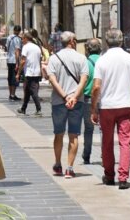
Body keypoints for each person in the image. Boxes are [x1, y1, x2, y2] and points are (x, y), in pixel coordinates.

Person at [91, 29, 130, 189]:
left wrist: (93, 108)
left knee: (106, 141)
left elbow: (96, 87)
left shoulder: (102, 60)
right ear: (122, 41)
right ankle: (123, 177)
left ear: (106, 42)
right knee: (125, 142)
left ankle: (109, 175)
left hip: (107, 106)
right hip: (127, 104)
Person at [45, 31, 88, 179]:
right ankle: (69, 168)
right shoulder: (81, 58)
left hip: (58, 101)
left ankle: (58, 164)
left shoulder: (53, 58)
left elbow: (52, 80)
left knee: (58, 133)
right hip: (77, 101)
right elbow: (84, 80)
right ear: (71, 41)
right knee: (73, 134)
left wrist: (64, 96)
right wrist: (74, 96)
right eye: (75, 39)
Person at [81, 38, 100, 165]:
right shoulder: (105, 61)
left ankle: (86, 155)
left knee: (88, 129)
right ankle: (106, 153)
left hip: (88, 99)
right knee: (105, 129)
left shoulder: (85, 63)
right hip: (104, 99)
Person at [16, 31, 43, 116]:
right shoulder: (37, 47)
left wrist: (18, 72)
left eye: (22, 38)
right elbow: (40, 61)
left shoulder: (26, 47)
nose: (22, 40)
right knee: (27, 91)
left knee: (33, 91)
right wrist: (41, 71)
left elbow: (23, 60)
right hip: (36, 72)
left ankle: (39, 109)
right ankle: (23, 109)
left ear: (26, 39)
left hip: (29, 72)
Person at [5, 25, 22, 101]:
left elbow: (6, 47)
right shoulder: (17, 39)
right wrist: (18, 63)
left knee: (9, 77)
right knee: (14, 78)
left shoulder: (9, 37)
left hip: (9, 59)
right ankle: (13, 94)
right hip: (14, 60)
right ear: (19, 31)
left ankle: (10, 94)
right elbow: (17, 51)